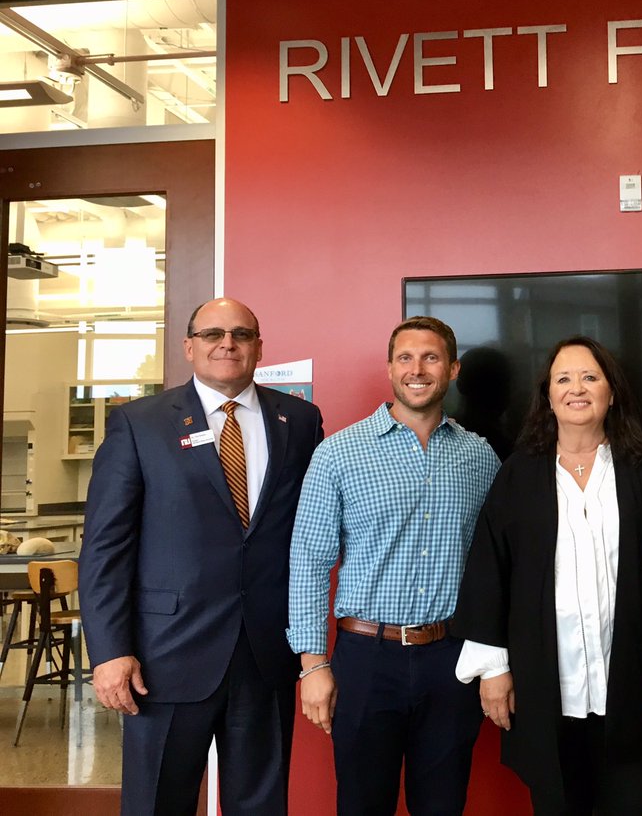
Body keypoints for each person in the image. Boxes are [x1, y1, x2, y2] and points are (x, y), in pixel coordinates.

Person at [79, 297, 324, 816]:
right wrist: (108, 651)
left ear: (259, 346)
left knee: (260, 804)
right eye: (213, 334)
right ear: (189, 346)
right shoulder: (139, 423)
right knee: (157, 803)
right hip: (163, 656)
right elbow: (104, 547)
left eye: (240, 333)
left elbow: (310, 532)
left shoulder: (299, 420)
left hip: (265, 652)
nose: (227, 343)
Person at [453, 336, 642, 815]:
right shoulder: (520, 473)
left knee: (634, 804)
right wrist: (493, 668)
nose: (576, 388)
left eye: (590, 377)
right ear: (548, 396)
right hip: (546, 686)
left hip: (632, 680)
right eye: (563, 379)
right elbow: (489, 568)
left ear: (611, 392)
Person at [288, 315, 500, 816]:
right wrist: (312, 664)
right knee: (362, 804)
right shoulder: (338, 453)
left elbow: (496, 566)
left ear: (452, 370)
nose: (417, 369)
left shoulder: (480, 457)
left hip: (453, 661)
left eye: (431, 357)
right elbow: (309, 562)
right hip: (365, 659)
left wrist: (496, 659)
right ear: (389, 368)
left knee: (443, 804)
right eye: (405, 357)